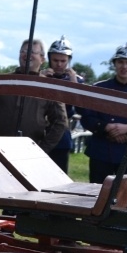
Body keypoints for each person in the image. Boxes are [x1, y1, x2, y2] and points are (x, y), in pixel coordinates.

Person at [0, 38, 68, 152]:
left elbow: (60, 121)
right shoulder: (1, 82)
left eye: (33, 52)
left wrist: (42, 150)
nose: (27, 54)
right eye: (23, 51)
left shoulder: (49, 88)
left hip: (28, 152)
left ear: (42, 58)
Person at [80, 42, 127, 183]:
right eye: (120, 62)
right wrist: (107, 128)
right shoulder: (99, 88)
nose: (124, 67)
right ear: (114, 64)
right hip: (102, 151)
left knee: (126, 196)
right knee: (97, 194)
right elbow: (87, 117)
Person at [40, 35, 84, 173]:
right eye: (55, 60)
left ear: (69, 61)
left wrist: (74, 83)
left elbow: (82, 107)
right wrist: (41, 78)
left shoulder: (76, 81)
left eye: (63, 61)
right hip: (39, 129)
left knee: (59, 173)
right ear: (49, 59)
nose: (59, 64)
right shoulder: (40, 76)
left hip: (61, 133)